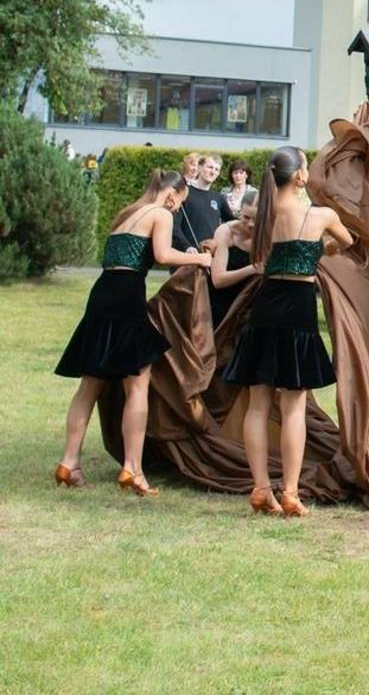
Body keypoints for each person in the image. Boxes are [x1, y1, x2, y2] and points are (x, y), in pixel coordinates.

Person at [53, 168, 212, 495]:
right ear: (172, 195)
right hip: (127, 296)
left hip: (101, 294)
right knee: (138, 383)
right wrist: (201, 260)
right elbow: (163, 255)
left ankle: (68, 463)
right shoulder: (160, 213)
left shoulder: (126, 214)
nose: (178, 210)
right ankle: (133, 469)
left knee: (89, 384)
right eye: (180, 203)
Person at [222, 146, 354, 515]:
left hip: (266, 305)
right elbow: (347, 242)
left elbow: (251, 248)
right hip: (298, 307)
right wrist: (318, 250)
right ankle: (291, 492)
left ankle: (261, 488)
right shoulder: (321, 215)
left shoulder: (263, 214)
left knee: (257, 404)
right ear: (299, 176)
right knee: (293, 405)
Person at [205, 191, 259, 329]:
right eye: (246, 217)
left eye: (256, 218)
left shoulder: (270, 234)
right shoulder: (226, 231)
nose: (251, 224)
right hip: (221, 303)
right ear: (240, 212)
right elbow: (218, 280)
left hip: (250, 305)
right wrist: (253, 268)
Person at [172, 151, 233, 253]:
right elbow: (174, 225)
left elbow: (232, 223)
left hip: (209, 255)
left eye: (216, 169)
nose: (213, 172)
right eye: (210, 167)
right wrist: (187, 247)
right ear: (199, 167)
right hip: (186, 255)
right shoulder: (185, 193)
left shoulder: (218, 198)